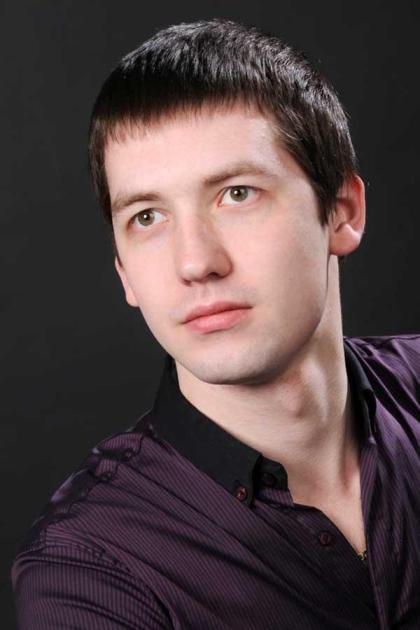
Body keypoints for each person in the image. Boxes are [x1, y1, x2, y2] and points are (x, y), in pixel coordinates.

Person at [11, 18, 420, 629]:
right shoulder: (89, 571)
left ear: (342, 212)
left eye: (236, 194)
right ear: (124, 272)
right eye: (147, 217)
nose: (195, 262)